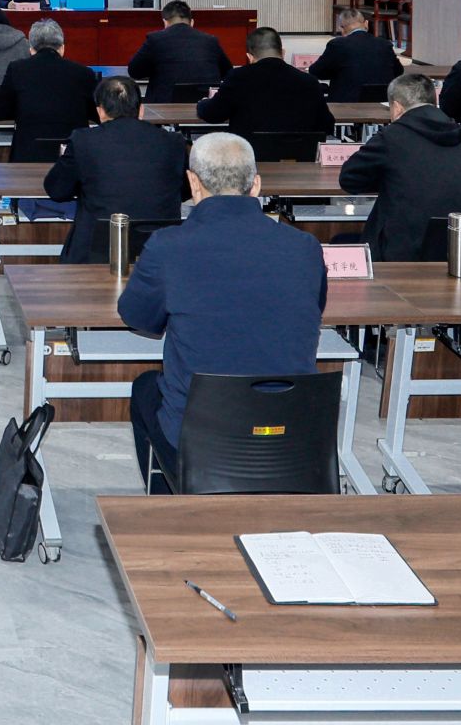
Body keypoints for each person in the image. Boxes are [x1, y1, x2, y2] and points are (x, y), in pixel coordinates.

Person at [118, 133, 324, 494]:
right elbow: (313, 308)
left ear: (193, 183)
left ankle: (175, 502)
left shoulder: (168, 246)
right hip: (289, 435)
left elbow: (137, 316)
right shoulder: (305, 247)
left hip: (202, 439)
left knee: (145, 389)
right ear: (256, 185)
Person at [338, 74, 461, 261]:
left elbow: (349, 179)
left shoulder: (391, 137)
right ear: (434, 102)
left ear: (397, 107)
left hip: (406, 252)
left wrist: (390, 180)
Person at [43, 76, 188, 264]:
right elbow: (185, 191)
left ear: (100, 112)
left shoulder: (83, 140)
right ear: (141, 110)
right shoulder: (174, 142)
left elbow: (57, 190)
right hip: (160, 248)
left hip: (96, 251)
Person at [0, 18, 98, 162]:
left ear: (31, 49)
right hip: (73, 157)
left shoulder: (17, 70)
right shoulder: (84, 73)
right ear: (62, 48)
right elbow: (98, 114)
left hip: (28, 155)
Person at [196, 27, 334, 138]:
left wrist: (202, 104)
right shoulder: (309, 81)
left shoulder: (238, 77)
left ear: (250, 57)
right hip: (299, 158)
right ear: (283, 52)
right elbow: (327, 125)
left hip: (250, 156)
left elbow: (213, 114)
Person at [126, 0, 232, 103]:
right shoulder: (211, 41)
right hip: (205, 106)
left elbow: (134, 71)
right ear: (192, 22)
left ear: (165, 22)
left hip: (164, 108)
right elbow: (228, 72)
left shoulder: (155, 39)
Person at [307, 5, 403, 103]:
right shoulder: (385, 44)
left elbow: (316, 71)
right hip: (383, 101)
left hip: (346, 103)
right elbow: (399, 71)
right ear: (366, 23)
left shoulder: (337, 44)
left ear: (342, 28)